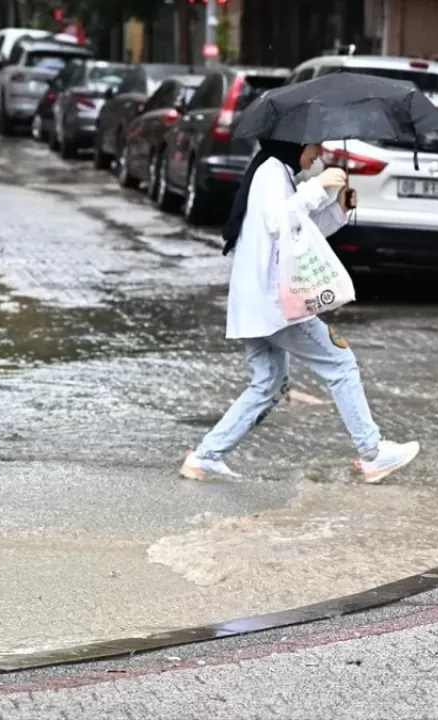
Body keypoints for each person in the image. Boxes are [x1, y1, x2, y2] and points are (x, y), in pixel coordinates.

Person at [180, 139, 420, 483]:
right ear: (294, 142)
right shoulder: (271, 173)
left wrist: (338, 208)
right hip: (273, 303)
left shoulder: (279, 174)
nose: (318, 154)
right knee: (340, 362)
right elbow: (278, 220)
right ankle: (373, 453)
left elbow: (299, 229)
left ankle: (206, 457)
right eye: (314, 146)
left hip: (258, 302)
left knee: (268, 383)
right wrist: (317, 185)